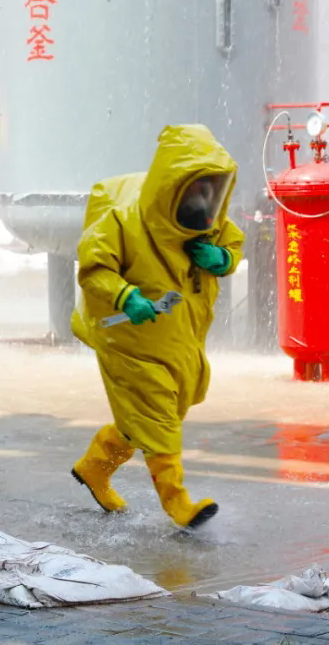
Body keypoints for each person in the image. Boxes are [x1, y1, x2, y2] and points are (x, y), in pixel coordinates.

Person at [69, 124, 245, 530]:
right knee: (157, 415)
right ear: (172, 184)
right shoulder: (124, 219)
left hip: (178, 337)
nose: (205, 200)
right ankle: (178, 504)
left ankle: (94, 467)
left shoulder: (206, 219)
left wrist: (221, 258)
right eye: (197, 188)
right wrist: (125, 296)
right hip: (128, 337)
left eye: (210, 189)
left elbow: (234, 245)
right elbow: (94, 268)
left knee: (155, 414)